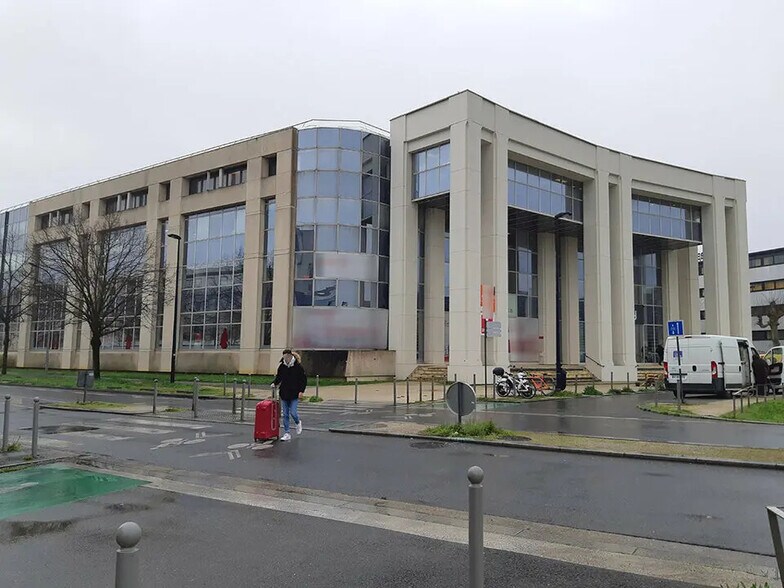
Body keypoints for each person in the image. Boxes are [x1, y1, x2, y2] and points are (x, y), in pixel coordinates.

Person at [271, 349, 307, 441]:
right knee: (285, 414)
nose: (285, 358)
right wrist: (274, 383)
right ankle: (287, 433)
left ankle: (297, 422)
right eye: (284, 357)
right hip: (284, 393)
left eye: (287, 356)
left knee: (293, 412)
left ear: (291, 356)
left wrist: (301, 391)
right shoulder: (282, 366)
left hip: (294, 393)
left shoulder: (298, 367)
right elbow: (279, 377)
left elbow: (303, 380)